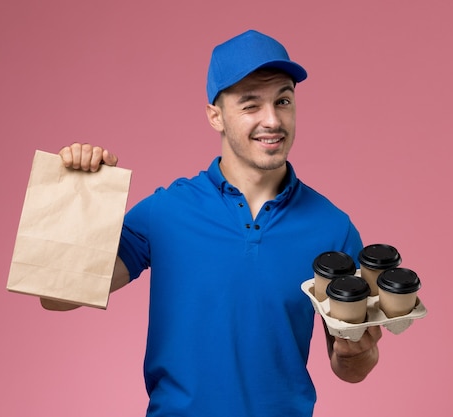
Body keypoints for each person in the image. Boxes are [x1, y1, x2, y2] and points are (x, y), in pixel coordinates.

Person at [44, 29, 382, 417]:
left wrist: (357, 351)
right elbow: (57, 296)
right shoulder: (166, 211)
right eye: (250, 105)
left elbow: (350, 368)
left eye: (283, 100)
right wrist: (77, 193)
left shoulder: (332, 228)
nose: (272, 120)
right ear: (215, 116)